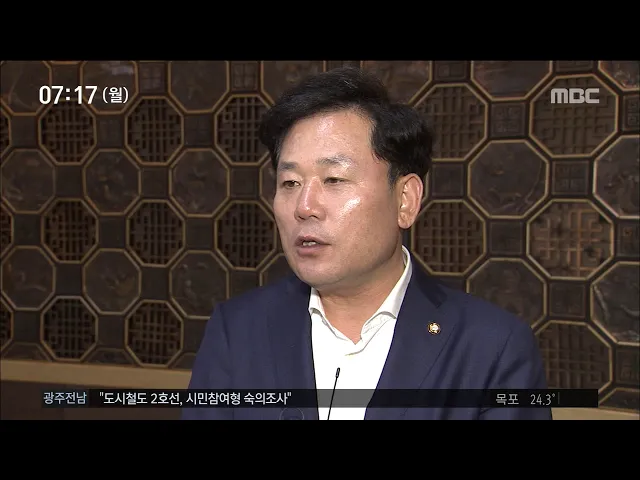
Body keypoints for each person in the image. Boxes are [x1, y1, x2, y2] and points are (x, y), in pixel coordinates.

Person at [183, 66, 552, 420]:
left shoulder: (492, 347)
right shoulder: (238, 330)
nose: (304, 207)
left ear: (405, 200)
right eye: (290, 183)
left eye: (334, 179)